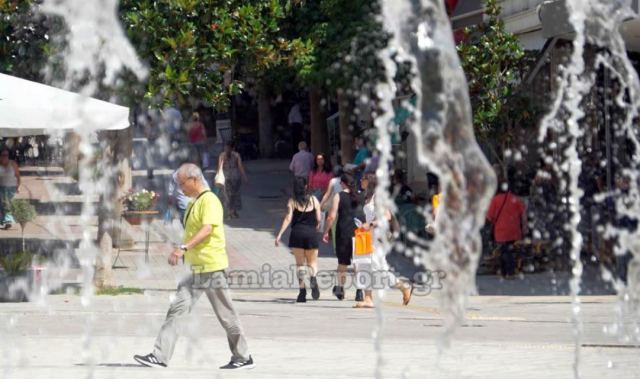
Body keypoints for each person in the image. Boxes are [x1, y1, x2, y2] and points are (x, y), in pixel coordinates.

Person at [134, 163, 254, 370]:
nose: (181, 188)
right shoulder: (194, 202)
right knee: (177, 309)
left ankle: (243, 356)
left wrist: (183, 247)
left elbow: (207, 229)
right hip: (196, 267)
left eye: (182, 183)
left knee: (226, 315)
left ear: (194, 180)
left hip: (210, 267)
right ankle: (160, 356)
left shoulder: (210, 201)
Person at [354, 173, 412, 308]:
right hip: (368, 236)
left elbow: (387, 216)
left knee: (378, 268)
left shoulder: (378, 197)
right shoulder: (368, 197)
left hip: (377, 237)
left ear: (370, 182)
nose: (361, 181)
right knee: (364, 265)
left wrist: (371, 224)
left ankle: (403, 287)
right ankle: (367, 298)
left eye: (363, 179)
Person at [275, 177, 322, 302]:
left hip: (297, 234)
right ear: (306, 186)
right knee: (312, 263)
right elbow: (318, 219)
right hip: (311, 234)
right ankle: (313, 279)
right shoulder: (314, 200)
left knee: (300, 264)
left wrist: (279, 234)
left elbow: (288, 218)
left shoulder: (292, 201)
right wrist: (316, 227)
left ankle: (302, 292)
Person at [322, 172, 365, 301]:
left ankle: (340, 289)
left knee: (343, 262)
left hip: (344, 231)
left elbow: (331, 216)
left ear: (343, 183)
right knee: (357, 262)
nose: (339, 184)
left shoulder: (338, 196)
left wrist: (326, 231)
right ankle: (359, 291)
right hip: (358, 231)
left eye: (341, 183)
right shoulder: (359, 196)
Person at [486, 175, 527, 279]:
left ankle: (507, 272)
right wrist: (525, 227)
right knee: (510, 251)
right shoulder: (515, 199)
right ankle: (508, 272)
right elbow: (523, 214)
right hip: (514, 230)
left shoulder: (495, 200)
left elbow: (489, 217)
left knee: (504, 252)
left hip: (501, 231)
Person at [218, 141, 248, 218]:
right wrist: (244, 177)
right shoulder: (237, 155)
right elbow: (240, 167)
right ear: (233, 148)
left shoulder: (222, 155)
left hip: (226, 175)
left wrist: (218, 176)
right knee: (235, 194)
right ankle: (234, 211)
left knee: (227, 195)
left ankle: (229, 212)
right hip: (235, 176)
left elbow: (220, 167)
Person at [0, 147, 20, 229]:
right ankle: (5, 221)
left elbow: (18, 176)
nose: (5, 157)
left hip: (12, 188)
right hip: (1, 187)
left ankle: (8, 221)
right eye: (3, 155)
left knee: (9, 205)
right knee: (3, 205)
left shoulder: (13, 164)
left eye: (6, 155)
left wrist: (18, 186)